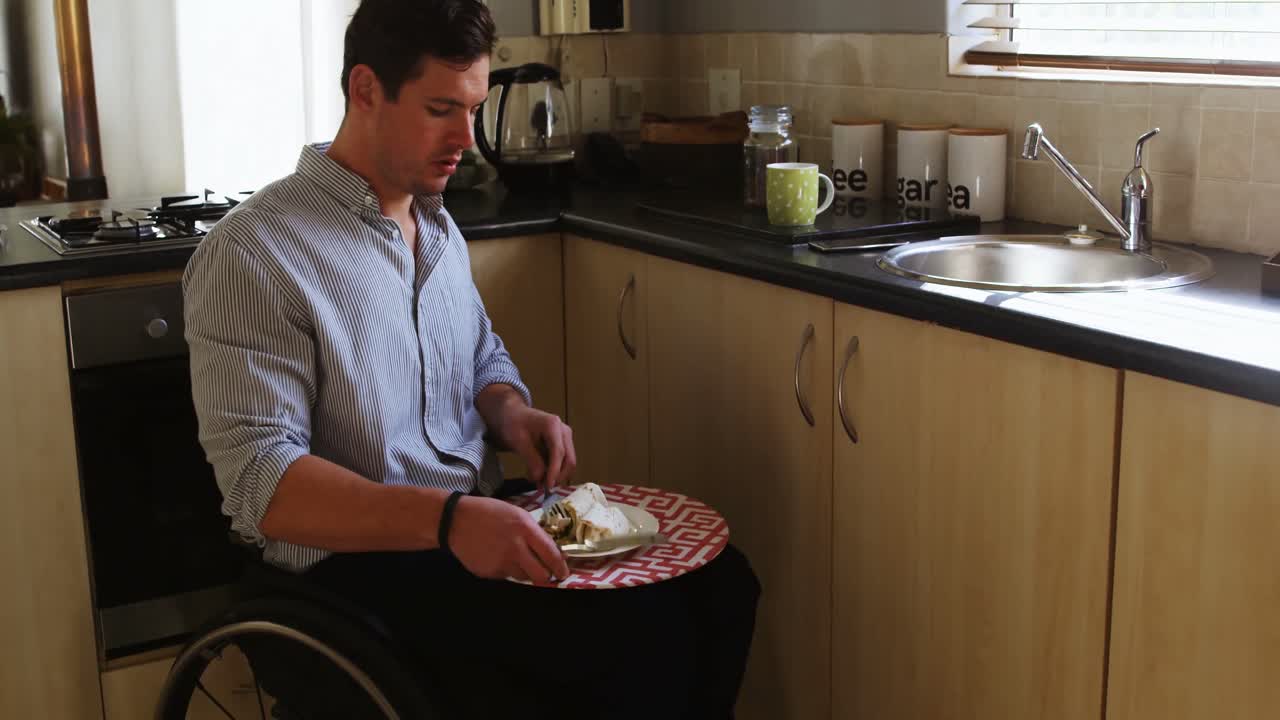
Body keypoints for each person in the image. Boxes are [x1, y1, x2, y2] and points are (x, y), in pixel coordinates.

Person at [182, 1, 760, 718]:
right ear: (365, 90)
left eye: (475, 108)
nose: (468, 138)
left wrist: (510, 410)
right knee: (641, 637)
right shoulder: (256, 253)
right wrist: (450, 520)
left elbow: (478, 352)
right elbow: (264, 485)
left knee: (722, 585)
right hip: (353, 575)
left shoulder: (434, 221)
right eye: (439, 109)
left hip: (467, 527)